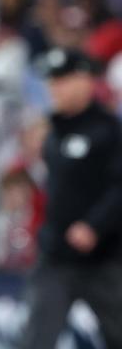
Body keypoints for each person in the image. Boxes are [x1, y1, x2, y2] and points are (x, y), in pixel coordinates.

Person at [18, 47, 122, 349]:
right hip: (57, 258)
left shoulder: (109, 130)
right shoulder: (54, 133)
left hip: (105, 258)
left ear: (85, 80)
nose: (54, 88)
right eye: (51, 81)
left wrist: (95, 225)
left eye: (62, 80)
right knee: (37, 338)